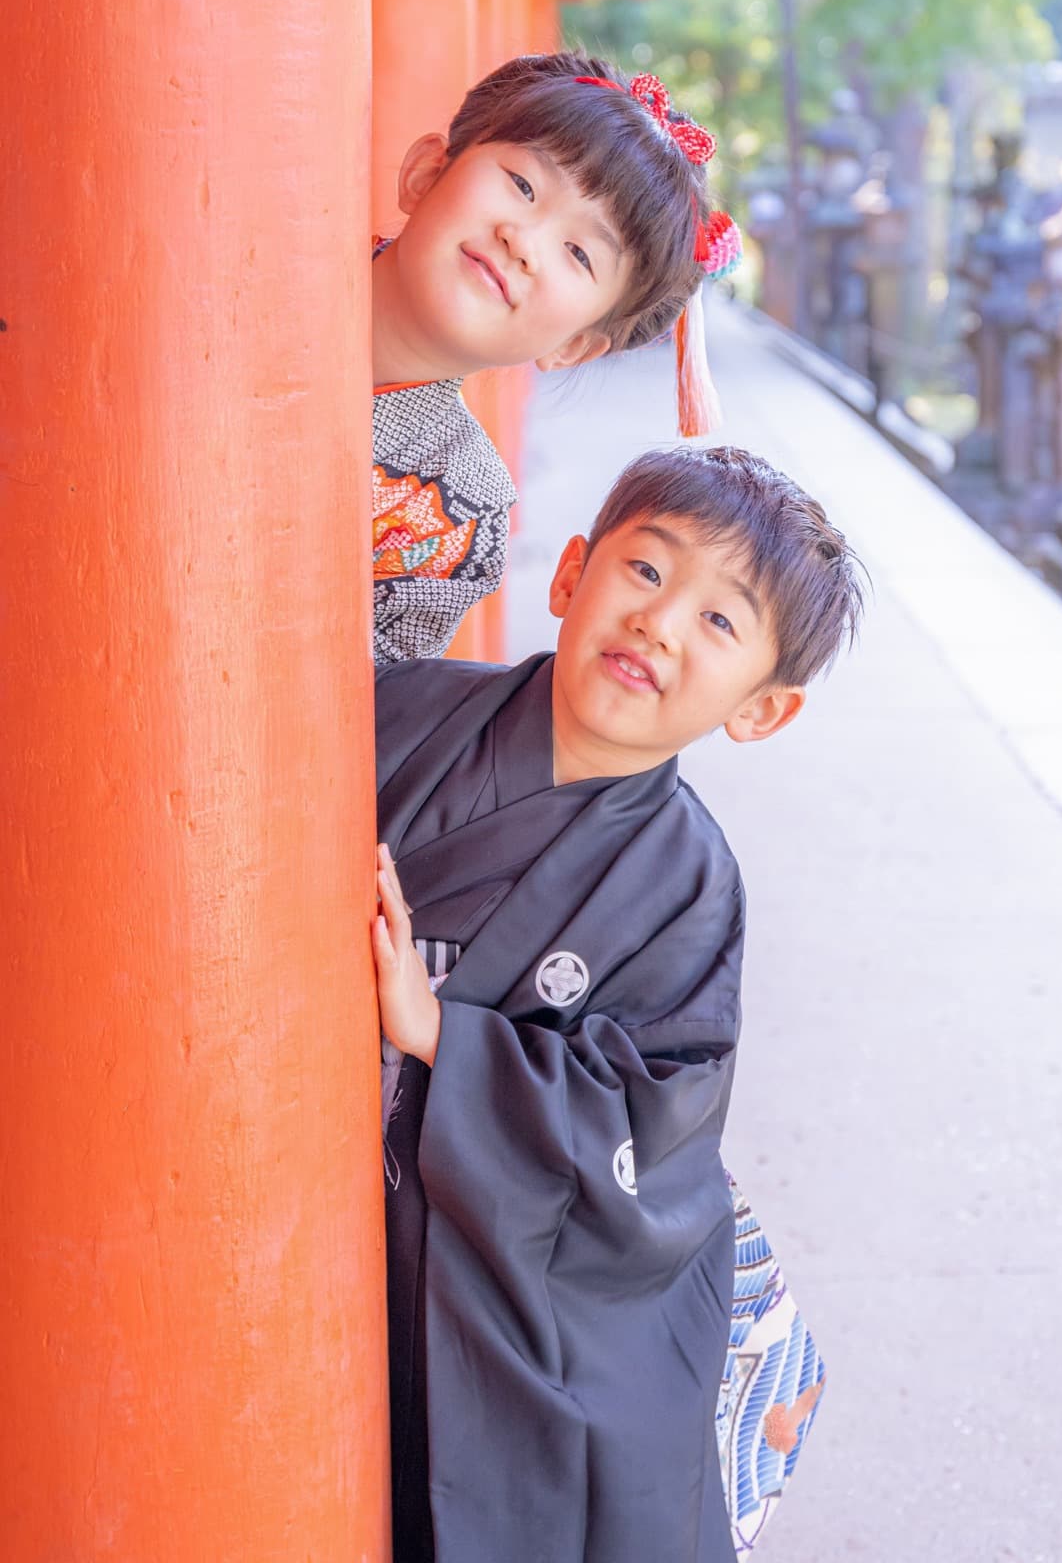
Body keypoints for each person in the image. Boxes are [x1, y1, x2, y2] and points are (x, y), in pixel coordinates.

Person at [371, 444, 864, 1562]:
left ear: (761, 710)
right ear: (569, 575)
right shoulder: (396, 713)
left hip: (482, 1268)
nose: (660, 623)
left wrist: (441, 1035)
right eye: (646, 571)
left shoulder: (688, 889)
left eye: (719, 623)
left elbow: (651, 1129)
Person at [371, 52, 741, 663]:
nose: (524, 241)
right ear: (426, 173)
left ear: (573, 346)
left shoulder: (455, 514)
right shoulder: (254, 248)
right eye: (522, 185)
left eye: (579, 253)